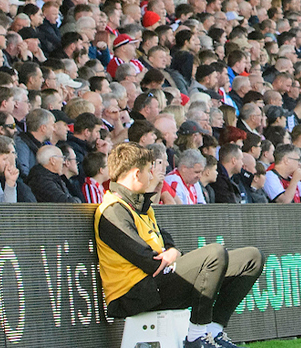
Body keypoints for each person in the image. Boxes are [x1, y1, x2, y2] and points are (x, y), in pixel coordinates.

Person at [95, 143, 261, 348]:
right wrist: (169, 254)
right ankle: (196, 336)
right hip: (134, 295)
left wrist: (171, 252)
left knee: (251, 258)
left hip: (156, 284)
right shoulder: (112, 210)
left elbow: (167, 241)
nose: (152, 177)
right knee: (215, 253)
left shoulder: (139, 205)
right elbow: (149, 262)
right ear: (137, 174)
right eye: (149, 171)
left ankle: (214, 331)